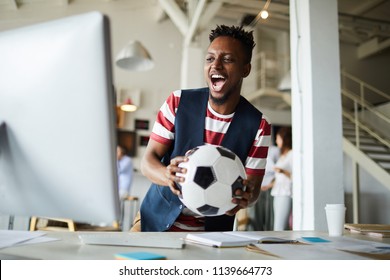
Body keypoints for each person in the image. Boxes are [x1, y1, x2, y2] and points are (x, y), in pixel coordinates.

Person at [132, 25, 271, 232]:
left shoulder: (259, 125)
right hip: (154, 222)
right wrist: (166, 174)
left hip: (212, 235)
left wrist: (245, 198)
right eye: (209, 58)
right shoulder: (178, 102)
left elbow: (253, 191)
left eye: (227, 59)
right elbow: (147, 163)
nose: (215, 65)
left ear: (246, 69)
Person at [261, 126, 292, 231]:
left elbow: (296, 176)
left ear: (284, 139)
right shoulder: (283, 156)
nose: (276, 141)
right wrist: (268, 185)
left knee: (280, 226)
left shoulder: (292, 155)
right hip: (277, 192)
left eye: (278, 138)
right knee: (277, 224)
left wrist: (282, 171)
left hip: (286, 193)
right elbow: (280, 179)